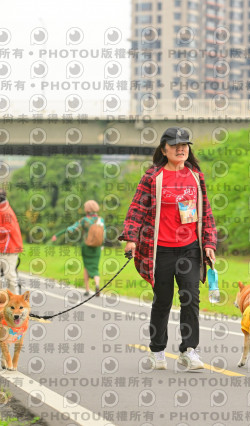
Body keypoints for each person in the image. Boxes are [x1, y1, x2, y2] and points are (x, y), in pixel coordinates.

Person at [120, 127, 217, 371]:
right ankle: (157, 350)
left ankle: (189, 350)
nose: (180, 149)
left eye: (184, 145)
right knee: (163, 301)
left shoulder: (196, 176)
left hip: (190, 248)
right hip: (160, 250)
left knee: (190, 298)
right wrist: (131, 238)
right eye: (174, 145)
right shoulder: (153, 176)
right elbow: (137, 208)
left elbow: (205, 212)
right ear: (164, 150)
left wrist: (208, 243)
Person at [52, 200, 105, 297]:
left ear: (87, 209)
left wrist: (57, 235)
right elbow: (103, 234)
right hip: (97, 247)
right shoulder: (101, 220)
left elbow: (72, 228)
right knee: (95, 267)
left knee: (86, 266)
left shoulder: (84, 220)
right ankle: (97, 285)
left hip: (86, 246)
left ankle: (87, 290)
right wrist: (102, 245)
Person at [0, 188, 23, 294]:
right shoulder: (0, 209)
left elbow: (9, 229)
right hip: (0, 247)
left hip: (11, 248)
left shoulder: (7, 211)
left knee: (9, 275)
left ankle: (15, 298)